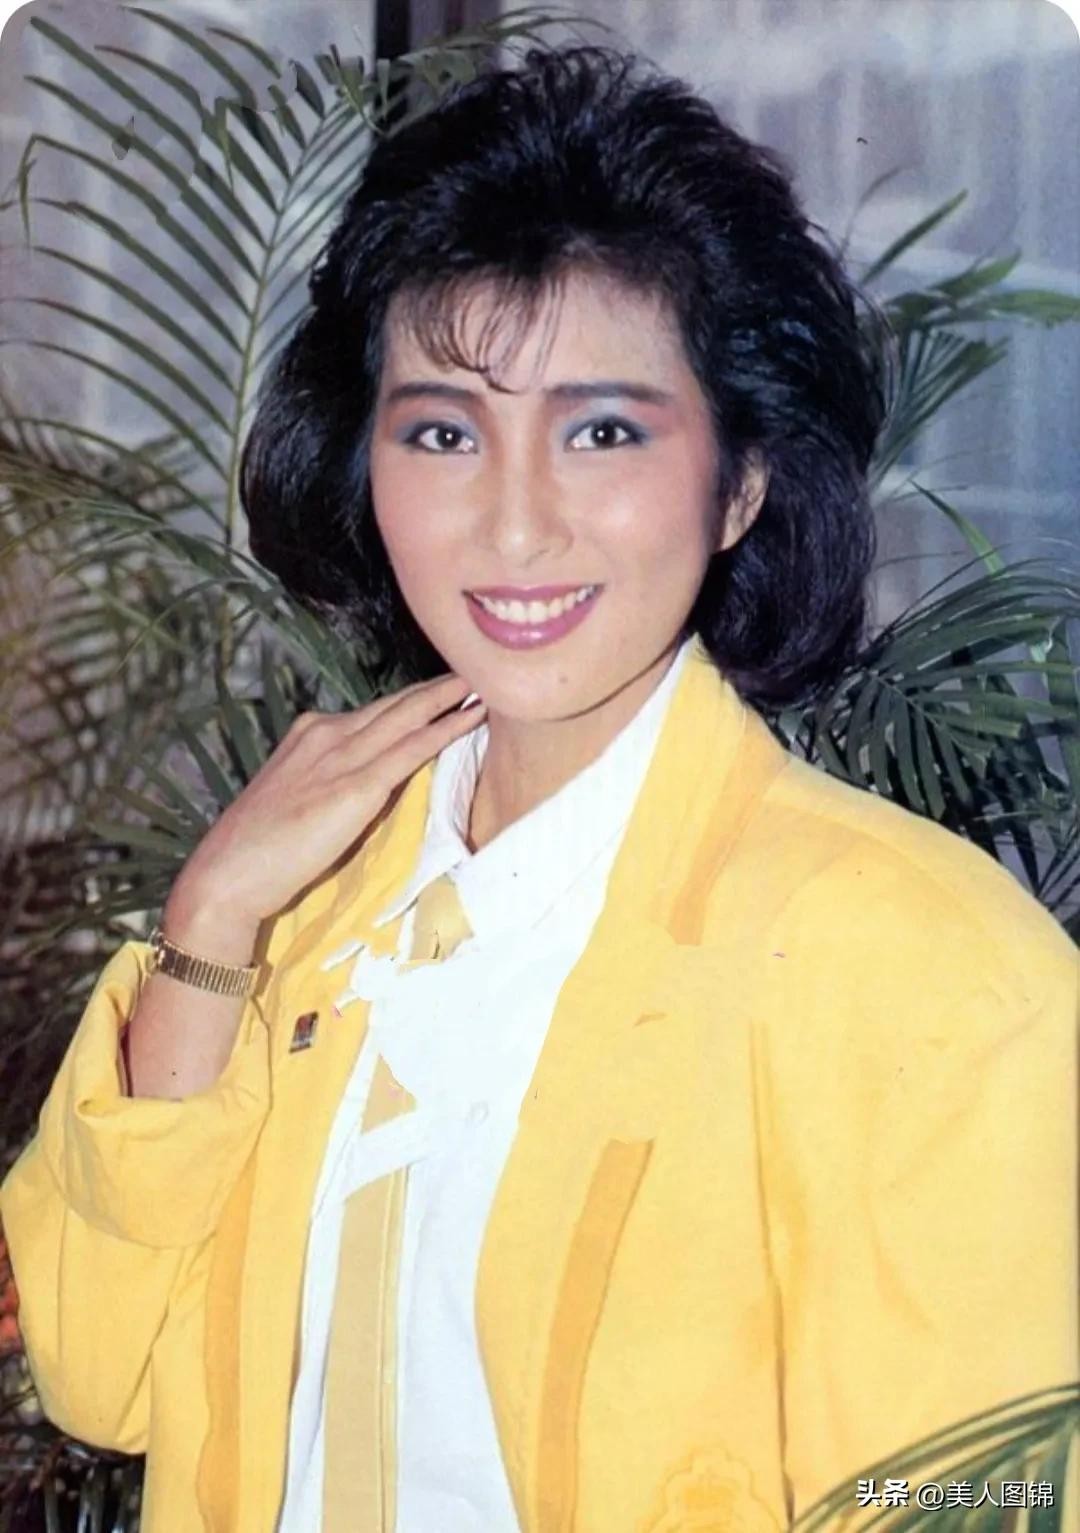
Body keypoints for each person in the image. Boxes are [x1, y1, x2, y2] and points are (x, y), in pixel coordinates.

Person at [2, 41, 1076, 1533]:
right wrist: (209, 925)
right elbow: (100, 1372)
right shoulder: (308, 905)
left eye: (603, 430)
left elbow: (977, 1491)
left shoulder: (932, 968)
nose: (512, 526)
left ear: (740, 482)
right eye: (444, 431)